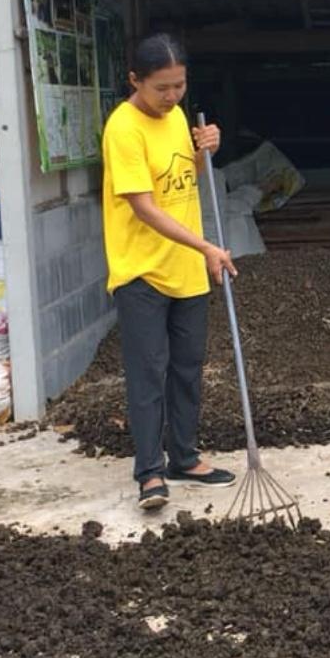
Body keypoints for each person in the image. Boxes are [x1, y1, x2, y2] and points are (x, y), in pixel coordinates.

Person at [101, 33, 239, 510]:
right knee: (148, 373)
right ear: (134, 80)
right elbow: (144, 207)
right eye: (162, 87)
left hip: (186, 268)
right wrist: (206, 246)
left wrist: (206, 150)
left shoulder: (177, 116)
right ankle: (149, 473)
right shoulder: (124, 129)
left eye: (179, 85)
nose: (173, 96)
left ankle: (184, 456)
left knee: (187, 368)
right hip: (141, 271)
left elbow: (185, 177)